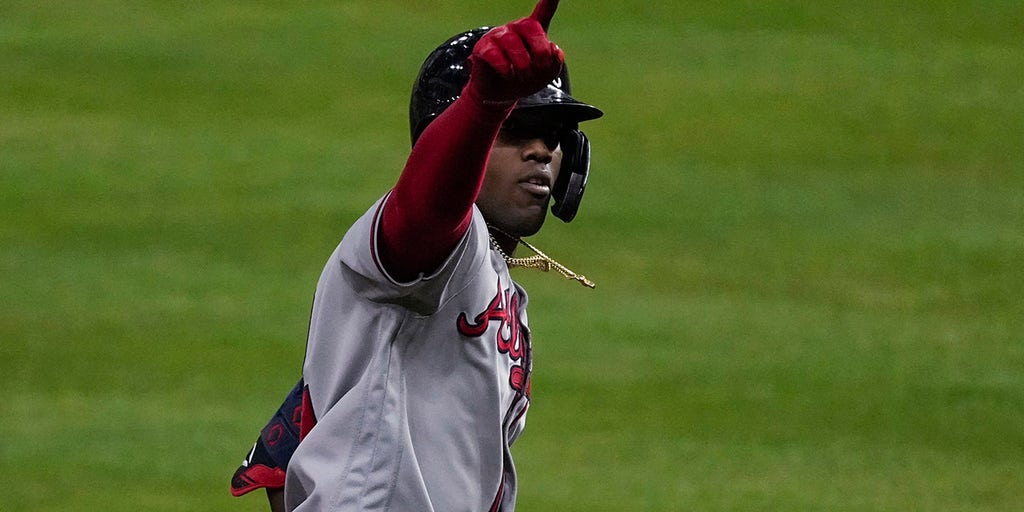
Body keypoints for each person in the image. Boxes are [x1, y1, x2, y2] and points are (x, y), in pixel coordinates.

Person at [230, 1, 603, 510]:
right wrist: (483, 104)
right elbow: (426, 217)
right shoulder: (434, 245)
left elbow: (279, 459)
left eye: (555, 136)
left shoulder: (492, 285)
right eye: (515, 130)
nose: (541, 150)